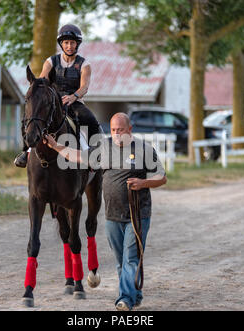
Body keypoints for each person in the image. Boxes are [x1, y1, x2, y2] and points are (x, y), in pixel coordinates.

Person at [43, 112, 167, 311]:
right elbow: (78, 156)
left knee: (130, 258)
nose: (117, 134)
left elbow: (162, 177)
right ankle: (135, 294)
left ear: (130, 130)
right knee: (121, 261)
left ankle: (125, 298)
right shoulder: (104, 147)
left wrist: (143, 183)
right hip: (112, 216)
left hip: (137, 215)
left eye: (121, 130)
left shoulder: (144, 150)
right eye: (113, 130)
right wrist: (56, 146)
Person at [14, 24, 101, 167]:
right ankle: (26, 151)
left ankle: (93, 154)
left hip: (74, 101)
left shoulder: (84, 64)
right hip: (53, 101)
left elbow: (84, 87)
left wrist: (73, 97)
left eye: (72, 43)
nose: (69, 46)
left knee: (90, 119)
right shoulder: (50, 61)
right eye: (66, 43)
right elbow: (42, 81)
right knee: (31, 118)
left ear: (77, 44)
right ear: (61, 44)